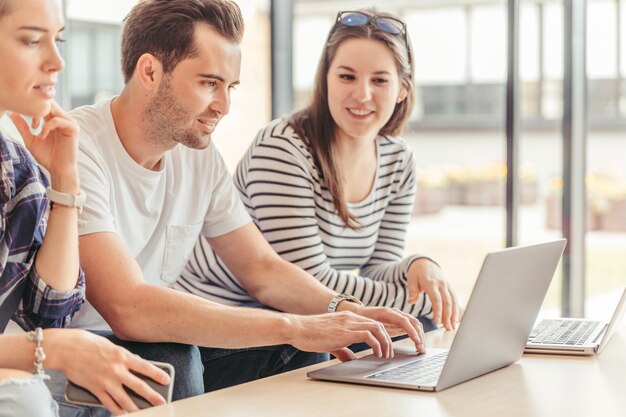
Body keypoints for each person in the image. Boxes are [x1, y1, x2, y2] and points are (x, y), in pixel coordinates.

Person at [57, 0, 426, 411]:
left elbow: (262, 270)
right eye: (208, 83)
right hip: (76, 360)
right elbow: (128, 307)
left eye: (229, 87)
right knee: (175, 359)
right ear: (149, 72)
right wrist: (294, 325)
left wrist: (345, 312)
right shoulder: (77, 147)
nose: (224, 106)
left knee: (301, 352)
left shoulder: (197, 155)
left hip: (155, 347)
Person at [176, 9, 461, 334]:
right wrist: (423, 302)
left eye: (380, 80)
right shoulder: (284, 148)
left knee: (414, 327)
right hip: (231, 318)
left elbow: (376, 268)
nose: (362, 94)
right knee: (418, 320)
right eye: (346, 76)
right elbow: (311, 283)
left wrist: (418, 266)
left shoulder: (398, 161)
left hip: (299, 318)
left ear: (402, 90)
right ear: (325, 81)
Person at [0, 0, 170, 416]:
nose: (56, 62)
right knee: (27, 397)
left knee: (150, 372)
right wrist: (49, 348)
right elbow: (47, 339)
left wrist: (64, 183)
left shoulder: (17, 169)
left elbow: (47, 313)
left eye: (58, 41)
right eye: (31, 41)